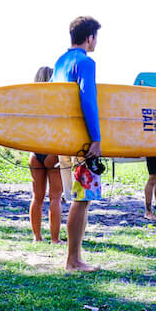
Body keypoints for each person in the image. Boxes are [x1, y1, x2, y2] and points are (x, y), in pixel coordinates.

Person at [52, 16, 103, 272]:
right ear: (89, 37)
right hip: (82, 142)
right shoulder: (85, 62)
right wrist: (95, 138)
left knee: (77, 197)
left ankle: (76, 256)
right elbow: (88, 100)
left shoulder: (60, 62)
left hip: (64, 140)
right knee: (81, 199)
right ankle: (73, 259)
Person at [28, 66, 64, 243]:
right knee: (55, 198)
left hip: (35, 153)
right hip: (52, 152)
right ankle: (55, 239)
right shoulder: (56, 102)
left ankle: (37, 238)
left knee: (37, 197)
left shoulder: (32, 103)